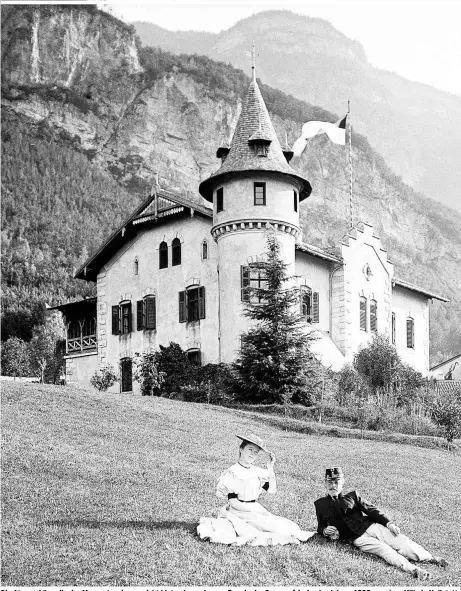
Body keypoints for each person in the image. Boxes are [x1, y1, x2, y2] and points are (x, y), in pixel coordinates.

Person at [314, 467, 448, 580]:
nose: (333, 486)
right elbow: (320, 526)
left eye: (336, 482)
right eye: (330, 482)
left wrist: (389, 524)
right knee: (385, 551)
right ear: (325, 483)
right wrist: (324, 531)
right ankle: (414, 570)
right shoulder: (320, 504)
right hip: (358, 539)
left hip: (372, 526)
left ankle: (430, 558)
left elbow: (372, 510)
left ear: (343, 483)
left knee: (402, 542)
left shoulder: (352, 496)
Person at [197, 433, 316, 546]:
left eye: (256, 452)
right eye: (250, 449)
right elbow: (233, 502)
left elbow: (272, 490)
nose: (252, 454)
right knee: (267, 529)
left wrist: (270, 468)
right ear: (241, 449)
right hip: (238, 511)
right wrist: (252, 511)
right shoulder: (233, 473)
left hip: (255, 508)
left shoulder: (257, 472)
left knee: (284, 526)